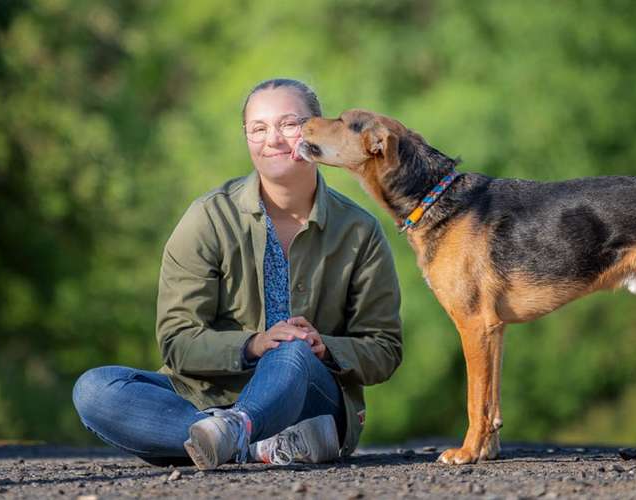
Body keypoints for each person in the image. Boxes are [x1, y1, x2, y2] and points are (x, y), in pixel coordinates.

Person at [72, 78, 403, 469]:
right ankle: (253, 445)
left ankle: (227, 434)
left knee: (291, 349)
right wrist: (253, 344)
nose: (273, 139)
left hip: (308, 397)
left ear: (314, 128)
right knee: (95, 389)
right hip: (205, 396)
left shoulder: (359, 230)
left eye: (288, 124)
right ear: (246, 135)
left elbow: (384, 348)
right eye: (258, 128)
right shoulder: (208, 218)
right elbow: (178, 340)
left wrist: (323, 347)